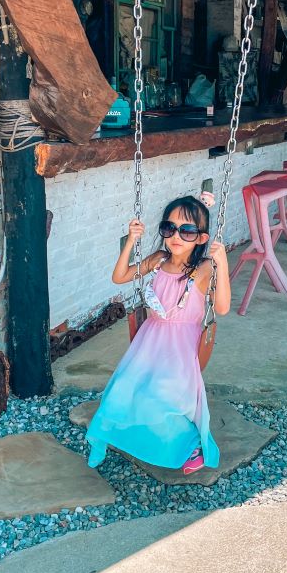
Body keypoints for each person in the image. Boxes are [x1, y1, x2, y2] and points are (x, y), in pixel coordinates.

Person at [86, 192, 231, 475]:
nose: (176, 235)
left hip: (179, 346)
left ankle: (193, 445)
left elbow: (223, 307)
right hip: (149, 340)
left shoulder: (202, 269)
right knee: (125, 390)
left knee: (171, 398)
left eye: (187, 230)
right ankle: (129, 437)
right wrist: (131, 241)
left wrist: (222, 263)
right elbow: (119, 277)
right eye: (170, 228)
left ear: (201, 238)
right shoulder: (159, 260)